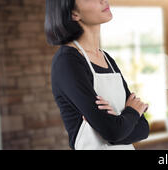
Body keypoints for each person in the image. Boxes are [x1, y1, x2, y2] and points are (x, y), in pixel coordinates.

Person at [45, 0, 149, 150]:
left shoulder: (106, 58)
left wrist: (119, 123)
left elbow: (143, 129)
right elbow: (112, 131)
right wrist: (131, 113)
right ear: (74, 13)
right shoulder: (67, 62)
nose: (103, 0)